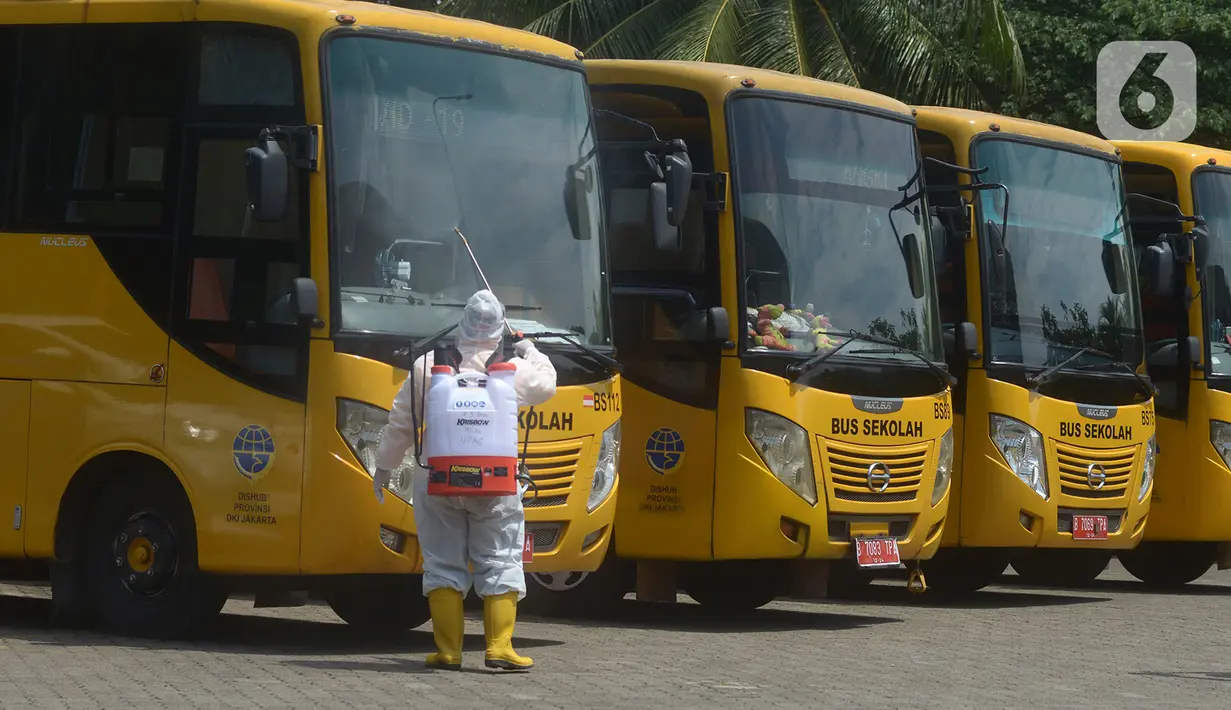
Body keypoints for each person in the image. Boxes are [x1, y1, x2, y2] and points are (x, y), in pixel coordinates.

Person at [373, 289, 557, 672]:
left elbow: (401, 423)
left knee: (441, 562)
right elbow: (547, 385)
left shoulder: (428, 366)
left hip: (438, 479)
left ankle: (447, 651)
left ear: (464, 322)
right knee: (501, 559)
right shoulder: (511, 370)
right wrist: (529, 351)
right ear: (498, 327)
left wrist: (384, 468)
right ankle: (499, 647)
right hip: (495, 482)